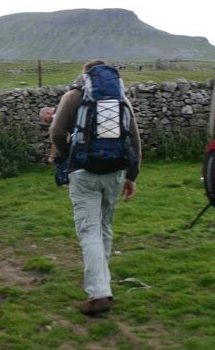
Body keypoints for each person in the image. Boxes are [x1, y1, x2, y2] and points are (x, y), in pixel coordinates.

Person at [49, 59, 142, 316]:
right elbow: (134, 139)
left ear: (85, 75)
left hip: (84, 173)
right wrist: (132, 176)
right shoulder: (120, 98)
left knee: (89, 231)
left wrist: (71, 156)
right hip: (114, 173)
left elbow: (56, 132)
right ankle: (103, 283)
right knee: (105, 227)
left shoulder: (73, 96)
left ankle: (98, 293)